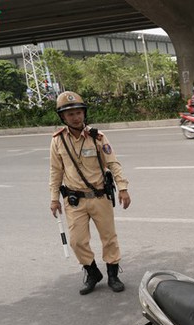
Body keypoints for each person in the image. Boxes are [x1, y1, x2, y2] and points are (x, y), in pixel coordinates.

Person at [49, 91, 132, 295]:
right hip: (74, 200)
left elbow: (112, 163)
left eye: (78, 112)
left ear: (84, 113)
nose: (75, 117)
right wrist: (53, 199)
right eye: (70, 114)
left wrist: (123, 188)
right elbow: (55, 171)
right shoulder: (58, 141)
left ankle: (113, 274)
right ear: (63, 117)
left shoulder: (98, 137)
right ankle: (92, 272)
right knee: (77, 241)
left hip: (99, 197)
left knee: (109, 237)